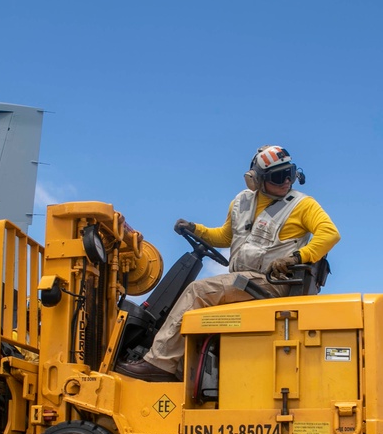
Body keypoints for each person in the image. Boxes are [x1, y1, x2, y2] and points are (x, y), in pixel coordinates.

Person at [116, 145, 340, 382]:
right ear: (256, 180)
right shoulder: (241, 202)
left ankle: (159, 364)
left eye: (291, 173)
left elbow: (329, 233)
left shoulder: (303, 204)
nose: (286, 181)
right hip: (244, 282)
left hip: (271, 284)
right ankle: (182, 374)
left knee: (198, 292)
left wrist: (296, 258)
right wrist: (196, 229)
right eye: (277, 176)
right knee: (199, 308)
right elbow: (225, 236)